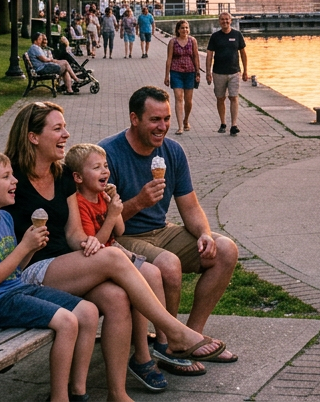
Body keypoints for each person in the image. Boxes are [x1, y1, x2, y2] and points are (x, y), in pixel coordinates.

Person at [0, 103, 230, 399]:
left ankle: (117, 393)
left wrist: (90, 243)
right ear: (34, 137)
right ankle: (173, 332)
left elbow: (73, 235)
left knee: (116, 297)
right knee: (114, 257)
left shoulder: (62, 175)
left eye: (65, 128)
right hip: (28, 271)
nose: (66, 135)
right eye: (57, 129)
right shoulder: (10, 175)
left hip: (66, 266)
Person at [100, 86, 241, 372]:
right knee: (169, 264)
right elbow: (103, 221)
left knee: (225, 249)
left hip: (160, 230)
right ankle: (168, 344)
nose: (162, 126)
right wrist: (138, 202)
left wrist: (204, 233)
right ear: (134, 119)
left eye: (166, 119)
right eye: (155, 119)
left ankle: (191, 336)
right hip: (122, 236)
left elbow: (190, 206)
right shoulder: (108, 154)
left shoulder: (172, 151)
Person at [0, 151, 100, 402]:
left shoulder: (4, 217)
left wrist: (31, 248)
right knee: (67, 322)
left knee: (88, 311)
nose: (15, 181)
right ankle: (59, 398)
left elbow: (15, 269)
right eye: (6, 177)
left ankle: (78, 392)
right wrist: (24, 246)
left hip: (14, 290)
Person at [63, 143, 140, 264]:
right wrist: (112, 216)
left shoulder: (103, 196)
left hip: (113, 249)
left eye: (106, 166)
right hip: (98, 257)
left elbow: (120, 231)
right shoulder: (79, 204)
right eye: (96, 167)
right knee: (150, 272)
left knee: (153, 271)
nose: (105, 171)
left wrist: (113, 202)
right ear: (78, 177)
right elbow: (94, 245)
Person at [203, 12, 247, 136]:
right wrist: (208, 72)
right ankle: (223, 123)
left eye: (227, 19)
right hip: (219, 72)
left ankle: (234, 125)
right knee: (220, 98)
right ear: (219, 21)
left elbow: (243, 54)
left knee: (234, 97)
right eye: (222, 19)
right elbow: (209, 55)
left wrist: (245, 71)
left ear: (231, 20)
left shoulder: (237, 35)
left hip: (234, 72)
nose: (225, 21)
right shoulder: (215, 36)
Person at [163, 20, 200, 134]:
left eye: (187, 28)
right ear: (178, 30)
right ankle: (180, 126)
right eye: (182, 28)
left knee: (188, 100)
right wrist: (167, 75)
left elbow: (196, 57)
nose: (185, 30)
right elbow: (169, 59)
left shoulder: (192, 41)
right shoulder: (172, 42)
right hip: (176, 72)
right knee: (178, 98)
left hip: (190, 72)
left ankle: (186, 120)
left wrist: (197, 72)